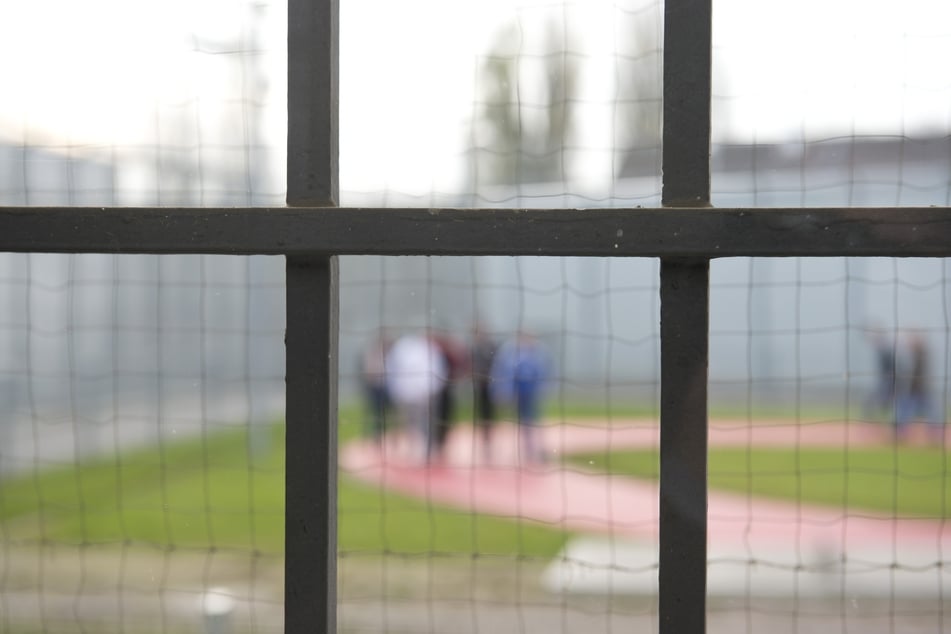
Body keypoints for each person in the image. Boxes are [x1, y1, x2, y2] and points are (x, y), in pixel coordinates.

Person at [385, 333, 447, 462]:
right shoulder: (406, 350)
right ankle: (413, 449)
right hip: (411, 395)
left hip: (425, 395)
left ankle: (427, 450)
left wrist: (429, 391)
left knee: (426, 423)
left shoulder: (429, 350)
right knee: (410, 423)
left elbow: (438, 372)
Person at [490, 331, 550, 465]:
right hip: (514, 394)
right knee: (511, 423)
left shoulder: (539, 354)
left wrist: (544, 388)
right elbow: (502, 372)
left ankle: (534, 450)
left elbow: (544, 373)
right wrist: (502, 391)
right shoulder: (510, 353)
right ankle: (508, 451)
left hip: (531, 394)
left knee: (532, 422)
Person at [429, 329, 468, 462]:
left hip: (447, 390)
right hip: (434, 391)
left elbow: (460, 368)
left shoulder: (450, 353)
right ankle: (437, 444)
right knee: (434, 417)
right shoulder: (434, 352)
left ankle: (443, 443)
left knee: (447, 417)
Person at [895, 330, 940, 441]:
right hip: (914, 390)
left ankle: (934, 433)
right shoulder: (913, 355)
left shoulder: (921, 355)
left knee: (931, 412)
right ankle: (901, 433)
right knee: (904, 411)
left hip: (921, 390)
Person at [470, 324, 498, 461]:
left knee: (491, 417)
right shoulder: (473, 349)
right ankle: (484, 444)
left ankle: (490, 444)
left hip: (492, 387)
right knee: (481, 418)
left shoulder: (491, 346)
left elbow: (497, 364)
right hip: (478, 388)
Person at [359, 331, 390, 443]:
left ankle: (385, 437)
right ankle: (372, 437)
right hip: (375, 389)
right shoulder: (372, 354)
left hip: (385, 389)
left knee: (387, 415)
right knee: (374, 414)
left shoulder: (388, 354)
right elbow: (368, 372)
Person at [863, 326, 897, 424]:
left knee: (883, 400)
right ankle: (872, 419)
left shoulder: (886, 347)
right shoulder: (882, 347)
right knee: (877, 400)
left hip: (888, 380)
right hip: (885, 380)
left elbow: (891, 365)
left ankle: (880, 419)